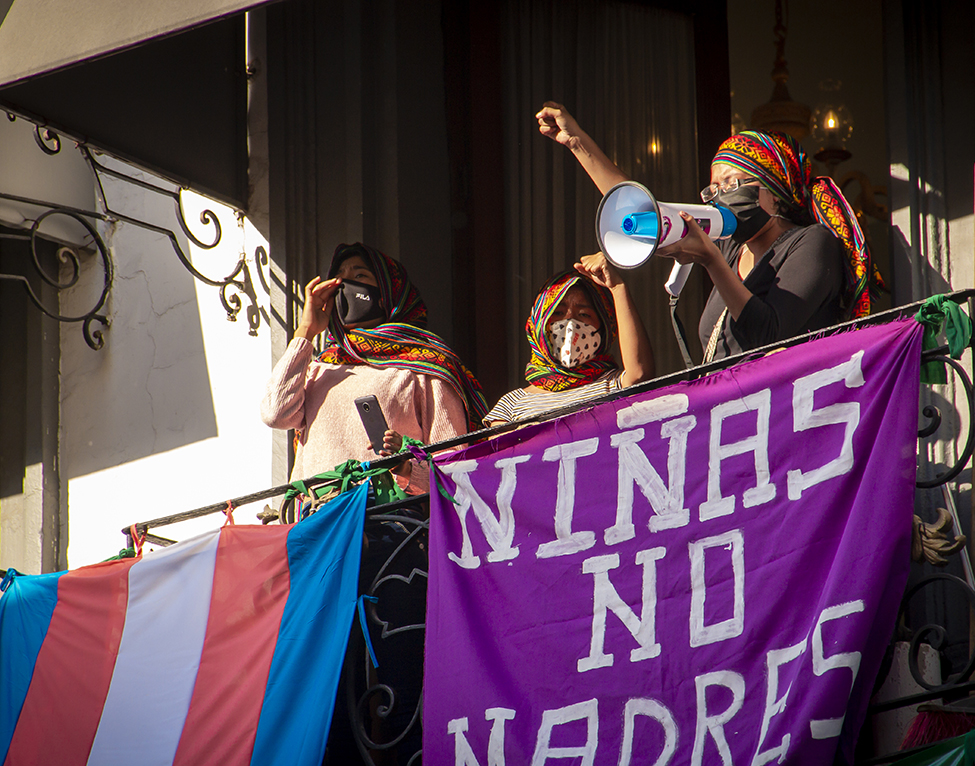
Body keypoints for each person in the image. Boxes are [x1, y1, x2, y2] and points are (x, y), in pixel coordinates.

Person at [536, 102, 885, 362]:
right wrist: (576, 143)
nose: (719, 196)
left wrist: (711, 262)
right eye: (712, 189)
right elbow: (640, 208)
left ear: (773, 189)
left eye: (730, 183)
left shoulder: (810, 243)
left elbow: (768, 333)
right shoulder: (731, 247)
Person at [260, 243, 487, 494]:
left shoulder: (425, 368)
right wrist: (306, 332)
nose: (344, 287)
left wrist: (406, 466)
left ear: (389, 291)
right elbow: (275, 414)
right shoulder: (320, 367)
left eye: (359, 276)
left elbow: (452, 467)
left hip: (389, 525)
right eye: (338, 279)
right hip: (320, 521)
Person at [483, 253, 654, 425]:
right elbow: (503, 450)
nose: (570, 323)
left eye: (584, 314)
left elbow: (640, 374)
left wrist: (617, 287)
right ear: (538, 325)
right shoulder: (511, 405)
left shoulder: (614, 384)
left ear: (604, 328)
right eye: (558, 313)